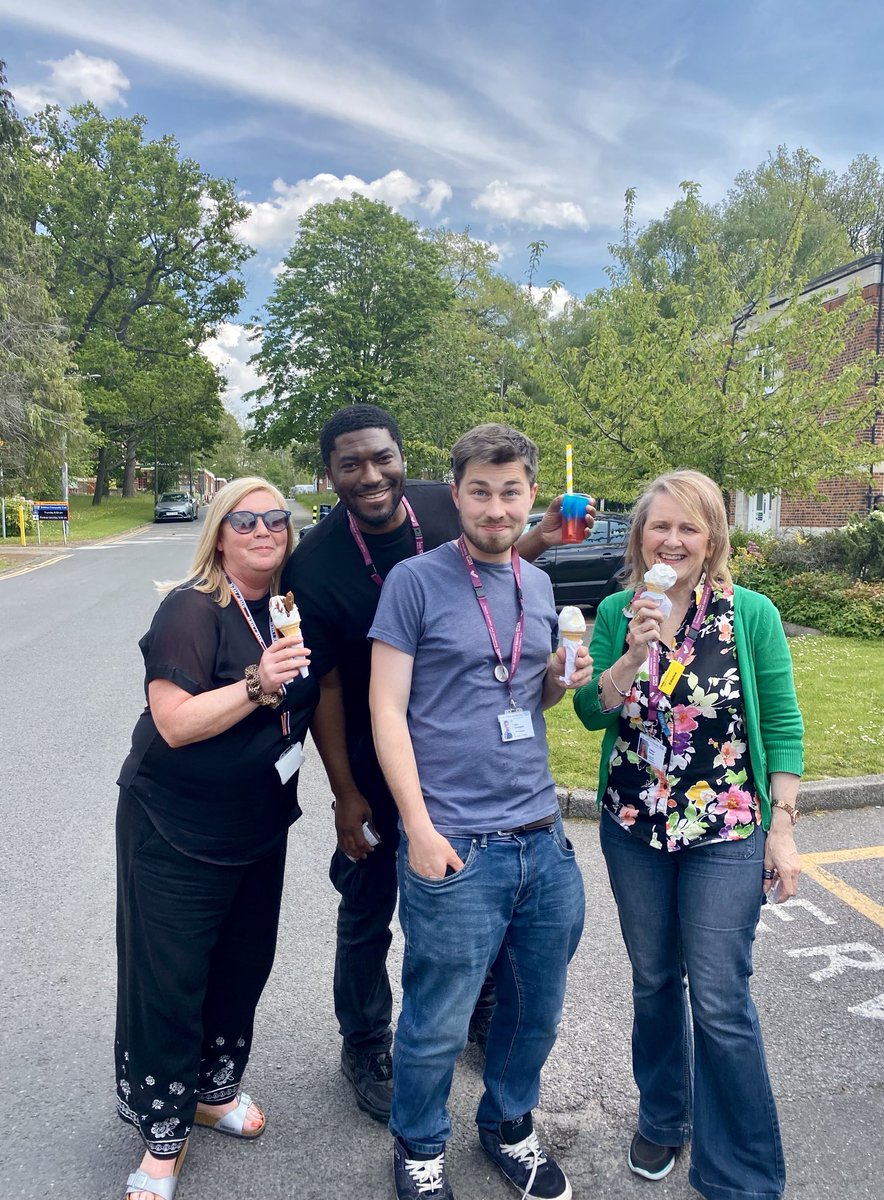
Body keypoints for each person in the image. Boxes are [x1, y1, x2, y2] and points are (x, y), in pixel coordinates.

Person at [281, 404, 593, 1123]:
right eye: (350, 464)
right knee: (366, 907)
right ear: (329, 473)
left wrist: (542, 534)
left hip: (462, 749)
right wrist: (346, 792)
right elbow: (328, 684)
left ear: (404, 457)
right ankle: (364, 1040)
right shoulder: (317, 560)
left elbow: (493, 572)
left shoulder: (437, 500)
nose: (371, 475)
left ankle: (479, 1012)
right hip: (372, 744)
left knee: (472, 897)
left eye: (382, 458)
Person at [369, 423, 590, 1200]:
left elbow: (529, 698)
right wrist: (419, 831)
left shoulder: (536, 584)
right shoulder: (415, 583)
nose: (496, 507)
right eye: (480, 490)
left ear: (530, 495)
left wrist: (563, 676)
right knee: (436, 1017)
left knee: (535, 1011)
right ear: (455, 492)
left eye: (511, 491)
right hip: (454, 842)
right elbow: (386, 712)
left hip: (541, 838)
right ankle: (420, 1144)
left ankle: (508, 1126)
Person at [574, 469, 803, 1200]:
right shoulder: (617, 609)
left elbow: (785, 728)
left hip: (726, 828)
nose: (672, 539)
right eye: (659, 526)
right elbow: (589, 713)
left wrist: (784, 828)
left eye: (689, 528)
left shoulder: (751, 615)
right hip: (634, 827)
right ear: (640, 538)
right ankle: (664, 1115)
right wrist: (633, 654)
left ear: (712, 542)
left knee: (720, 996)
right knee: (652, 983)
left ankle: (741, 1172)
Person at [115, 477, 317, 1200]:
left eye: (276, 519)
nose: (264, 529)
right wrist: (258, 684)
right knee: (171, 978)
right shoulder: (191, 609)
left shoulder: (287, 608)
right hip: (174, 826)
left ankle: (213, 1089)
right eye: (245, 520)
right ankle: (162, 1139)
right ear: (219, 533)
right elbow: (172, 722)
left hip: (259, 823)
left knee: (242, 964)